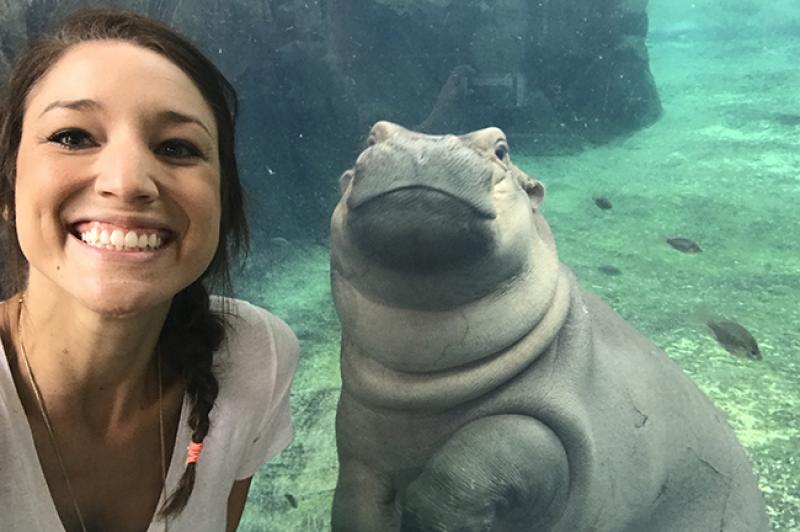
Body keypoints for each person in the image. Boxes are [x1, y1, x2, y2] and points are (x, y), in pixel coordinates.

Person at [0, 8, 298, 532]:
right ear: (8, 189)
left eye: (177, 147)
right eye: (72, 136)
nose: (128, 180)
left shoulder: (254, 358)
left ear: (223, 203)